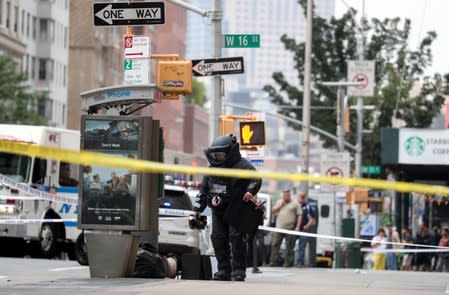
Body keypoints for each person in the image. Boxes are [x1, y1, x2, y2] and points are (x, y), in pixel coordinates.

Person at [192, 134, 262, 282]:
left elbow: (255, 179)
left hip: (236, 210)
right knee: (218, 238)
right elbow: (204, 191)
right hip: (217, 211)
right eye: (215, 154)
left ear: (230, 152)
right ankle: (223, 270)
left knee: (237, 239)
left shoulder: (242, 165)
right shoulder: (211, 170)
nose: (217, 157)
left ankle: (238, 271)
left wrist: (250, 191)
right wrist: (197, 208)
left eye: (220, 154)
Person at [269, 190, 302, 267]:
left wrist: (298, 227)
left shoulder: (295, 203)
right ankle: (273, 262)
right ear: (282, 196)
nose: (286, 197)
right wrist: (280, 206)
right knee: (275, 245)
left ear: (290, 195)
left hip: (290, 228)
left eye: (287, 195)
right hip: (279, 228)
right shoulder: (279, 202)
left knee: (289, 247)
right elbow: (273, 211)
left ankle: (287, 263)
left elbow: (300, 215)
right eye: (284, 196)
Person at [295, 191, 316, 268]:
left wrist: (307, 226)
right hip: (293, 228)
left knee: (302, 246)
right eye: (301, 196)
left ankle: (300, 262)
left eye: (303, 197)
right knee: (290, 245)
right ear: (298, 196)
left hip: (303, 229)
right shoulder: (295, 205)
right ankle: (289, 262)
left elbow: (312, 219)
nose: (302, 198)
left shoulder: (307, 206)